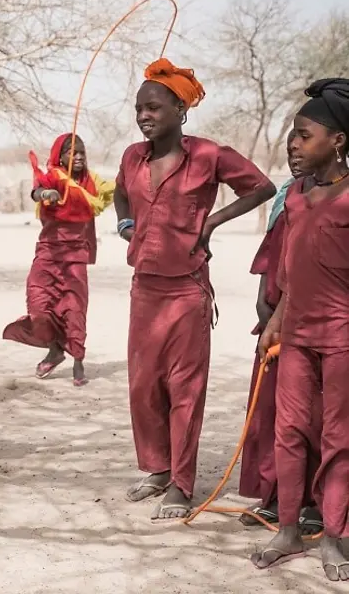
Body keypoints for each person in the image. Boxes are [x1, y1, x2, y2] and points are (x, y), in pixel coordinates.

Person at [112, 59, 276, 521]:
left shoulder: (208, 155)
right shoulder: (131, 156)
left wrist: (213, 222)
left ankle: (181, 485)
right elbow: (120, 194)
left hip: (187, 291)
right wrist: (125, 223)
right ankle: (158, 469)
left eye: (154, 108)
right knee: (144, 386)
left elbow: (261, 187)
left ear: (180, 110)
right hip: (143, 288)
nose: (144, 116)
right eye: (139, 108)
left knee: (184, 388)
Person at [251, 78, 349, 581]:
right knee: (288, 433)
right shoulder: (294, 198)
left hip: (342, 342)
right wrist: (275, 322)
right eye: (292, 134)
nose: (293, 143)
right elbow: (289, 273)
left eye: (305, 134)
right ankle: (288, 530)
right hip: (295, 339)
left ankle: (334, 537)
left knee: (339, 438)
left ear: (338, 141)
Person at [238, 129, 322, 532]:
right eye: (290, 142)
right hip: (274, 321)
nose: (293, 150)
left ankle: (318, 503)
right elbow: (271, 253)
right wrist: (263, 303)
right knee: (272, 412)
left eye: (304, 140)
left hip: (320, 321)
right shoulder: (287, 193)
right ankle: (274, 495)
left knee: (318, 416)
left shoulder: (335, 198)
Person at [2, 133, 115, 386]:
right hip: (48, 254)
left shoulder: (92, 183)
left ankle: (78, 361)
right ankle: (55, 350)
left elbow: (114, 189)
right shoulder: (53, 176)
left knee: (74, 310)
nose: (77, 156)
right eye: (71, 152)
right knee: (39, 308)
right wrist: (45, 194)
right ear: (59, 156)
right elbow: (36, 190)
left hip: (75, 257)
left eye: (81, 153)